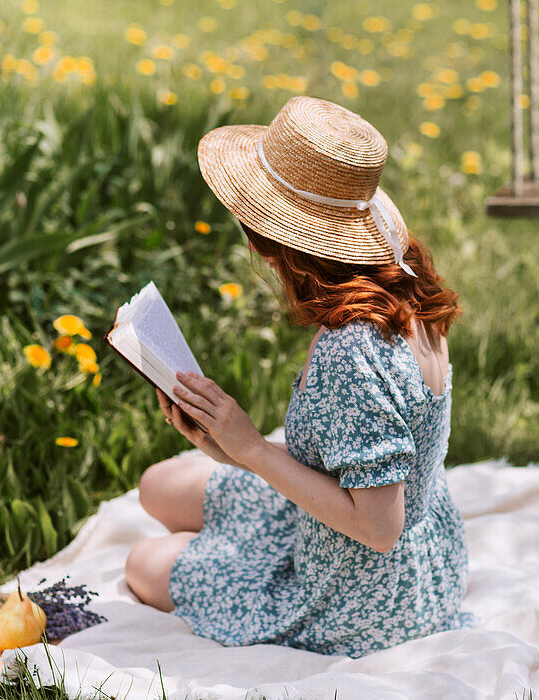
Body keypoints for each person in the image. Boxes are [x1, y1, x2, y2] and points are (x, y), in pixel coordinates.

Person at [125, 95, 476, 657]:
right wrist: (233, 450)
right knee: (156, 486)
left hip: (362, 595)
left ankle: (234, 558)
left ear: (277, 242)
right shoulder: (398, 277)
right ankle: (228, 542)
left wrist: (254, 450)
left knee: (143, 563)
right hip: (420, 556)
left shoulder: (352, 350)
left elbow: (379, 530)